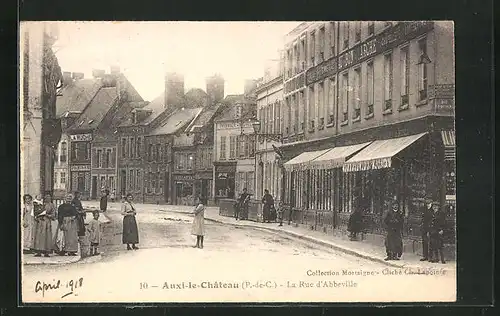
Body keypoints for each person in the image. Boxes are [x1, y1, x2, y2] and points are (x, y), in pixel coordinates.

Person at [419, 196, 434, 261]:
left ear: (431, 203)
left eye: (429, 203)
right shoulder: (424, 210)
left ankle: (431, 257)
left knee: (431, 242)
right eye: (427, 203)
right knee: (424, 242)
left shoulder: (433, 210)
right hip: (424, 228)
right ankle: (425, 256)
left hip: (431, 229)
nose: (428, 205)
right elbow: (423, 219)